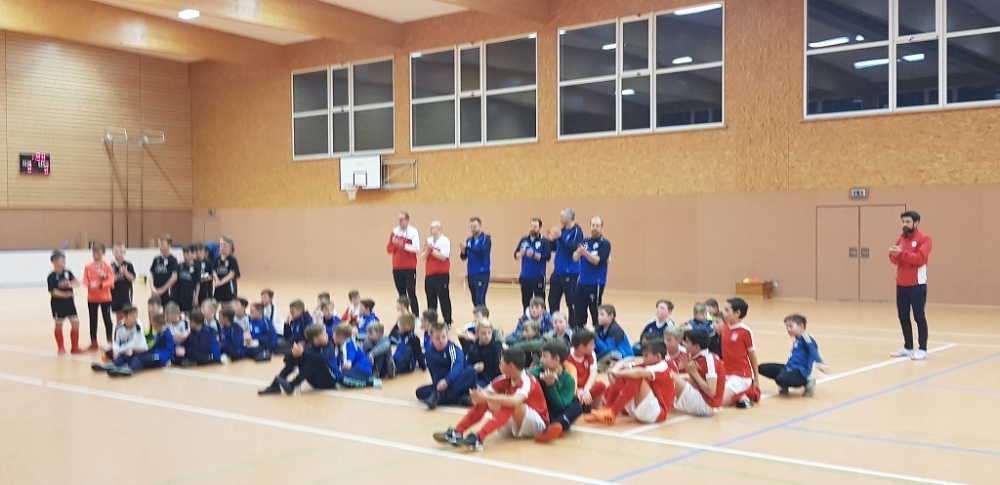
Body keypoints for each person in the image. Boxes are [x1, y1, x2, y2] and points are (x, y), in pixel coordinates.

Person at [432, 349, 549, 451]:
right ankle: (457, 432)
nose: (499, 365)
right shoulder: (503, 379)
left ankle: (479, 437)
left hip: (536, 425)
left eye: (501, 363)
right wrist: (477, 396)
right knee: (489, 400)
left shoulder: (527, 381)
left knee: (511, 403)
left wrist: (486, 397)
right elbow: (481, 398)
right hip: (515, 424)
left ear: (511, 366)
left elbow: (514, 401)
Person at [585, 340, 676, 425]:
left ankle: (612, 412)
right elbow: (625, 366)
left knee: (635, 377)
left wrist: (616, 374)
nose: (643, 359)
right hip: (648, 408)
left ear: (658, 357)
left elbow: (638, 373)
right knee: (626, 372)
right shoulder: (650, 364)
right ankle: (607, 409)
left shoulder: (662, 368)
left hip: (657, 413)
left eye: (646, 356)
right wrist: (615, 371)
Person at [889, 210, 933, 360]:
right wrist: (893, 254)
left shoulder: (924, 239)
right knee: (903, 315)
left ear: (916, 223)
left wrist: (902, 254)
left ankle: (922, 348)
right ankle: (908, 346)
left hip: (917, 285)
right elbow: (895, 260)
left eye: (908, 222)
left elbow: (920, 258)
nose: (905, 224)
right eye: (903, 222)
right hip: (901, 284)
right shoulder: (901, 239)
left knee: (918, 316)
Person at [759, 314, 831, 397]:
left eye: (791, 326)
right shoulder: (797, 340)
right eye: (786, 327)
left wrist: (819, 362)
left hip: (800, 372)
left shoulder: (806, 338)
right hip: (789, 368)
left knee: (780, 379)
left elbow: (812, 349)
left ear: (801, 326)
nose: (788, 329)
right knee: (761, 368)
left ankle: (807, 381)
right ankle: (785, 382)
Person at [416, 322, 477, 409]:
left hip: (456, 381)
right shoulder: (429, 353)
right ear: (431, 338)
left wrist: (447, 381)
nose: (441, 341)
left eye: (443, 337)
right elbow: (435, 374)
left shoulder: (453, 349)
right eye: (437, 338)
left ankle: (438, 396)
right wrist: (439, 384)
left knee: (471, 372)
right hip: (444, 385)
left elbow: (458, 367)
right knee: (420, 392)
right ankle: (458, 399)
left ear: (447, 336)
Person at [93, 313, 174, 377]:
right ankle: (115, 364)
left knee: (141, 358)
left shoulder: (166, 334)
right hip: (155, 353)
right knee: (131, 354)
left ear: (158, 325)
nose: (153, 327)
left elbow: (167, 350)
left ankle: (130, 369)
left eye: (154, 325)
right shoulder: (159, 333)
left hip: (161, 357)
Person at [531, 340, 582, 443]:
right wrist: (540, 376)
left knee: (577, 405)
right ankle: (556, 426)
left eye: (544, 356)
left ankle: (552, 428)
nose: (541, 360)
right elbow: (525, 374)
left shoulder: (568, 380)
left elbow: (560, 407)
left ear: (556, 359)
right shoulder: (540, 370)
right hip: (541, 411)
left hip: (555, 413)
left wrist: (551, 386)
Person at [672, 330, 725, 417]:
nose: (683, 344)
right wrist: (689, 370)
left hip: (707, 405)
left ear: (696, 346)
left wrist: (694, 372)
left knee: (668, 374)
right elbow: (695, 385)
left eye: (687, 342)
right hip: (701, 398)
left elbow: (711, 392)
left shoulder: (709, 360)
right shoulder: (695, 356)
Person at [720, 298, 761, 408]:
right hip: (725, 373)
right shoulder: (725, 327)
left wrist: (756, 379)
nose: (723, 312)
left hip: (740, 376)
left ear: (737, 313)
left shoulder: (745, 332)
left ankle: (746, 391)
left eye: (726, 310)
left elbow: (752, 355)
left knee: (721, 401)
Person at [547, 208, 584, 325]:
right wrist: (551, 240)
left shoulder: (577, 231)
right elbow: (554, 249)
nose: (560, 218)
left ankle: (572, 327)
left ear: (569, 217)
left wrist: (559, 238)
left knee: (571, 302)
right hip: (557, 271)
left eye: (562, 216)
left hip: (570, 272)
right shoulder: (561, 231)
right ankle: (554, 325)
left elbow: (572, 249)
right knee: (552, 300)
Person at [90, 305, 149, 377]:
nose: (135, 319)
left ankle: (129, 369)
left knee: (136, 357)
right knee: (113, 351)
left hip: (138, 350)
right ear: (125, 317)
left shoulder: (138, 326)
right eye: (132, 317)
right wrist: (116, 351)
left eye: (136, 316)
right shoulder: (119, 326)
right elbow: (116, 342)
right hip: (125, 351)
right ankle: (113, 365)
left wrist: (120, 351)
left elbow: (134, 343)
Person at [573, 217, 611, 329]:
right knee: (579, 309)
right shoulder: (584, 241)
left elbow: (596, 261)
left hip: (595, 283)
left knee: (595, 311)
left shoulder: (605, 244)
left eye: (597, 226)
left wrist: (585, 253)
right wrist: (579, 253)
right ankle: (580, 331)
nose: (594, 228)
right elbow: (575, 258)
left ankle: (598, 332)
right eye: (593, 225)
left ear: (601, 227)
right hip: (582, 282)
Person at [48, 250, 83, 355]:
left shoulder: (68, 272)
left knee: (75, 323)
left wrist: (70, 284)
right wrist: (65, 295)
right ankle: (61, 348)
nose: (64, 261)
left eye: (64, 259)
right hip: (58, 304)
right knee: (59, 325)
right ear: (54, 261)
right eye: (61, 259)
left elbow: (77, 283)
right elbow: (53, 292)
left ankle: (75, 347)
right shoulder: (51, 276)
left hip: (70, 303)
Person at [82, 243, 115, 349]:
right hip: (92, 298)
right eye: (94, 253)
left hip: (105, 297)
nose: (96, 256)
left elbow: (111, 280)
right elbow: (85, 279)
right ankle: (93, 341)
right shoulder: (88, 266)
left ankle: (110, 340)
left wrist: (101, 285)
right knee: (93, 319)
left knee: (107, 318)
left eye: (98, 253)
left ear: (103, 253)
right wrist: (89, 285)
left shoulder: (107, 266)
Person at [387, 211, 420, 315]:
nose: (400, 222)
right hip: (397, 267)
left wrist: (403, 245)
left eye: (402, 219)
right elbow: (389, 249)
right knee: (402, 294)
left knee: (411, 292)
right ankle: (405, 315)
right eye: (399, 219)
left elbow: (416, 249)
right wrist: (395, 244)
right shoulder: (394, 232)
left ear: (407, 220)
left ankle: (416, 316)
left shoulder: (413, 232)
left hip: (409, 267)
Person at [515, 218, 551, 311]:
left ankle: (542, 318)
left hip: (538, 277)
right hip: (525, 276)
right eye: (531, 226)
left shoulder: (544, 241)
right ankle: (527, 318)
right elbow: (516, 255)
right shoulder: (524, 240)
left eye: (535, 226)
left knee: (540, 301)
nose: (532, 228)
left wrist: (534, 255)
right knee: (526, 302)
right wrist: (520, 254)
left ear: (540, 228)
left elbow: (547, 257)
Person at [566, 330, 606, 412]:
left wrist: (586, 390)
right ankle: (582, 405)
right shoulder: (567, 356)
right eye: (591, 344)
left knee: (600, 385)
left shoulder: (591, 354)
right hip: (574, 391)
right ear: (581, 347)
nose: (594, 346)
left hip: (586, 389)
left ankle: (594, 407)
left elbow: (593, 373)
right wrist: (577, 393)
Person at [423, 221, 454, 326]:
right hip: (429, 275)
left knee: (443, 298)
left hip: (441, 275)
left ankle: (447, 321)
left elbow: (443, 257)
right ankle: (432, 321)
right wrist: (427, 251)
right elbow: (423, 257)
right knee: (430, 298)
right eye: (430, 227)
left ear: (438, 229)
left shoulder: (444, 241)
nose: (431, 230)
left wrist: (431, 251)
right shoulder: (429, 241)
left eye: (433, 228)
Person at [460, 216, 492, 306]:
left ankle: (483, 315)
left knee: (480, 298)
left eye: (475, 226)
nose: (473, 229)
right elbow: (463, 257)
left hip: (482, 272)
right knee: (474, 299)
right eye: (471, 227)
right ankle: (478, 314)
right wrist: (463, 251)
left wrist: (468, 247)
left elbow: (481, 252)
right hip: (471, 273)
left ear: (480, 226)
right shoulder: (469, 240)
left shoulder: (486, 238)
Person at [594, 304, 633, 371]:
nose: (599, 317)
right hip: (607, 354)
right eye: (599, 315)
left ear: (611, 316)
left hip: (623, 356)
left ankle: (598, 363)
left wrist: (594, 337)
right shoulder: (599, 328)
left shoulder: (616, 330)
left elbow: (608, 349)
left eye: (602, 315)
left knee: (613, 354)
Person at [467, 320, 503, 387]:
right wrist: (474, 368)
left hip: (490, 380)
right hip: (476, 377)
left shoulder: (497, 346)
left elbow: (499, 369)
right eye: (483, 333)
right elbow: (467, 365)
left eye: (489, 333)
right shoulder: (474, 347)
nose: (487, 336)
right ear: (478, 334)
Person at [110, 244, 136, 325]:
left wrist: (125, 272)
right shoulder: (110, 266)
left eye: (121, 252)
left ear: (124, 253)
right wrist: (113, 279)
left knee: (126, 314)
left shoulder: (128, 264)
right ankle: (119, 330)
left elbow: (133, 278)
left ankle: (128, 329)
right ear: (113, 253)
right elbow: (108, 282)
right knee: (118, 315)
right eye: (116, 252)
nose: (118, 254)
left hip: (126, 294)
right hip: (115, 294)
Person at [150, 235, 178, 305]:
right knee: (154, 309)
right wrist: (152, 288)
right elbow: (151, 274)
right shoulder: (156, 259)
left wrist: (163, 289)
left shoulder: (173, 260)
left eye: (162, 245)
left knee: (167, 309)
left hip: (167, 292)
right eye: (159, 244)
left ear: (169, 245)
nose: (160, 247)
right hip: (155, 291)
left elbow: (174, 277)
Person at [213, 237, 240, 305]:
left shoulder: (232, 260)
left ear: (230, 247)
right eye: (221, 245)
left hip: (229, 288)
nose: (222, 247)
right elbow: (213, 271)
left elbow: (231, 274)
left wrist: (221, 282)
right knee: (217, 304)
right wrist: (217, 280)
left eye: (224, 245)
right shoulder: (216, 259)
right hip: (218, 288)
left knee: (228, 306)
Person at [174, 245, 199, 315]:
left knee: (188, 313)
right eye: (184, 253)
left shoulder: (196, 268)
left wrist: (196, 297)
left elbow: (197, 283)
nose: (185, 255)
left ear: (193, 254)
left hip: (189, 295)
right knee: (177, 312)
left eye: (187, 253)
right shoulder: (179, 266)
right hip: (178, 294)